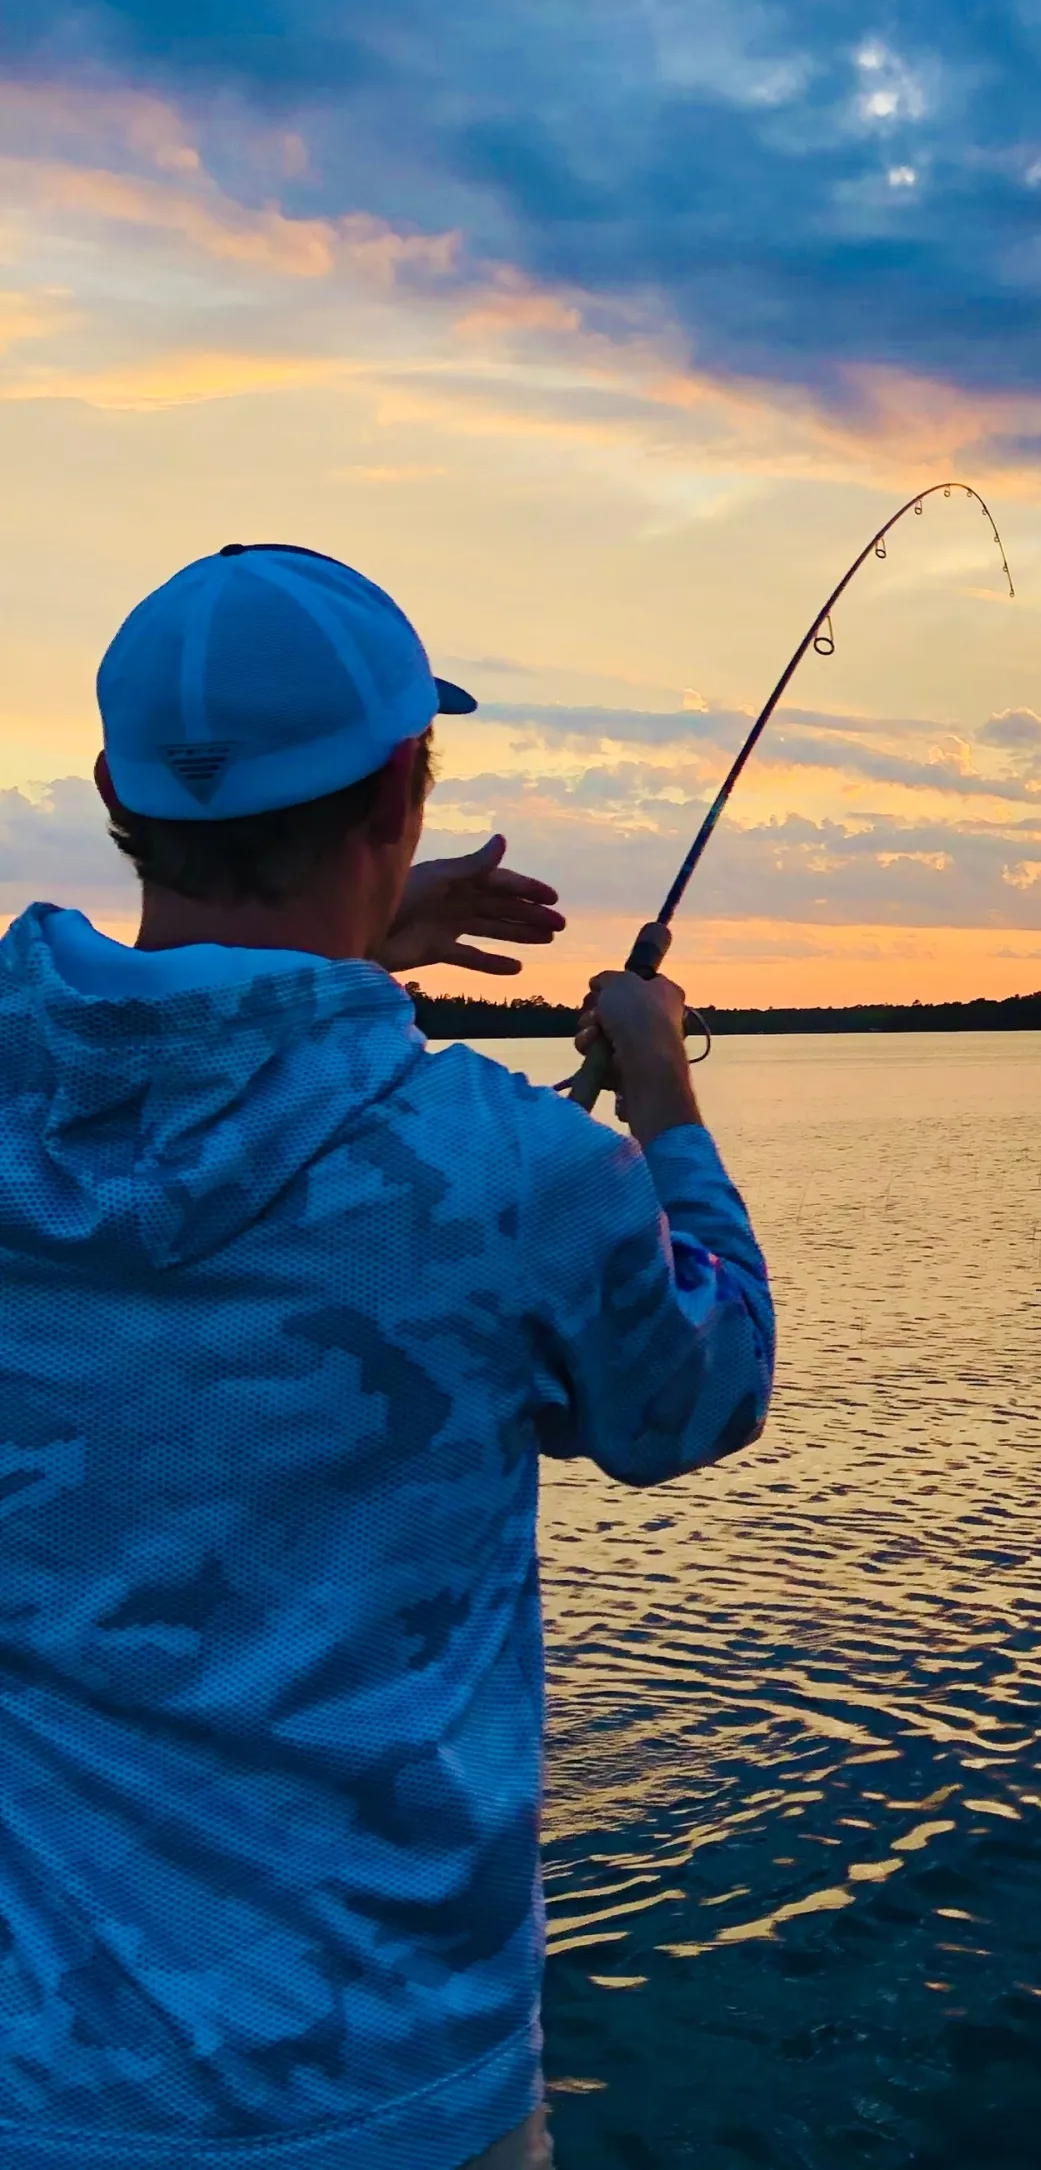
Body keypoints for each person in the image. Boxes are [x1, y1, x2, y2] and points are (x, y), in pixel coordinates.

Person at [0, 544, 773, 2170]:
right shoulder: (509, 1171)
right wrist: (662, 1097)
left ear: (115, 792)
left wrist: (345, 955)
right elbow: (699, 1389)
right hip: (395, 2095)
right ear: (405, 791)